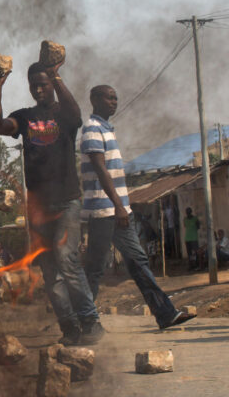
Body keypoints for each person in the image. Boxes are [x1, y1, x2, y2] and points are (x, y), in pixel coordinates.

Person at [0, 59, 104, 345]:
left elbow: (76, 116)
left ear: (52, 84)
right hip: (38, 209)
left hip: (67, 202)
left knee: (66, 257)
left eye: (44, 84)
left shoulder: (63, 115)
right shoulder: (25, 117)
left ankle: (90, 321)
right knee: (50, 270)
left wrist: (57, 76)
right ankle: (69, 328)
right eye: (34, 86)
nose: (39, 90)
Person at [80, 85, 195, 330]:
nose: (114, 102)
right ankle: (85, 322)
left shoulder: (106, 130)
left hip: (118, 210)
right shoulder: (91, 129)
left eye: (115, 98)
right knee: (96, 268)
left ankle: (165, 314)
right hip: (104, 211)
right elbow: (101, 171)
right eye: (109, 98)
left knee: (137, 261)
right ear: (94, 100)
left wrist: (122, 207)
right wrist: (119, 206)